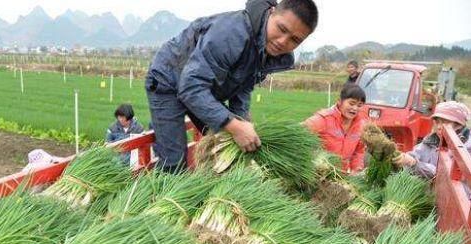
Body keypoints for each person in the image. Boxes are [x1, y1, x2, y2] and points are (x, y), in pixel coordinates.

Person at [145, 0, 319, 172]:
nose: (283, 41)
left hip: (203, 88)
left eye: (294, 40)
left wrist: (241, 121)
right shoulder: (231, 33)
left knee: (227, 142)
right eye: (282, 29)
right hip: (168, 81)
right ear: (272, 12)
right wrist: (234, 126)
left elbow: (243, 88)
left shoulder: (265, 48)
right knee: (174, 159)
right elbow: (191, 87)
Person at [393, 101, 471, 179]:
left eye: (445, 123)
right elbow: (416, 154)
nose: (439, 127)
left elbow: (444, 174)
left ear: (458, 125)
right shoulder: (432, 141)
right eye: (437, 122)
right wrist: (406, 157)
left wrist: (414, 163)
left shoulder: (466, 148)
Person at [304, 84, 367, 173]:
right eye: (351, 103)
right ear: (339, 101)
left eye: (359, 105)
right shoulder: (323, 119)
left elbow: (359, 151)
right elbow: (299, 133)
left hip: (341, 175)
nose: (355, 108)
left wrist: (357, 169)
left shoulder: (361, 126)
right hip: (319, 173)